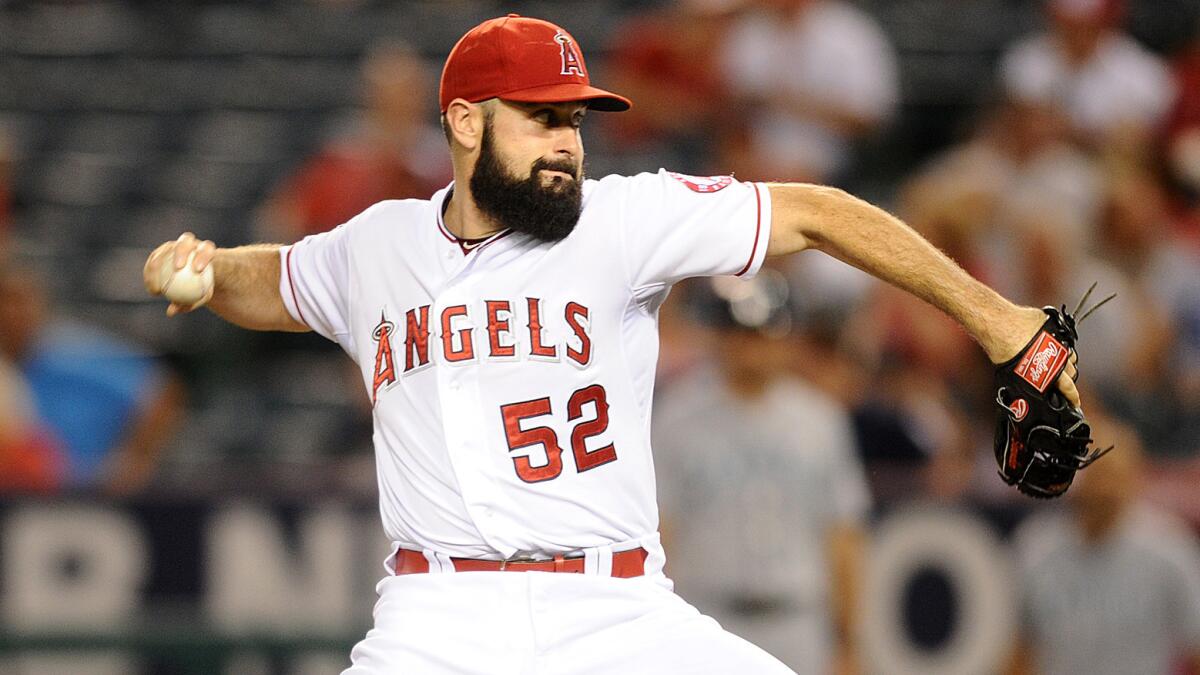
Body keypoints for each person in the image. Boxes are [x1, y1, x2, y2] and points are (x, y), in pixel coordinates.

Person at [143, 15, 1085, 673]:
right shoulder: (376, 245)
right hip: (438, 621)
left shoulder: (622, 221)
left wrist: (998, 320)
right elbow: (277, 282)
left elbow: (815, 213)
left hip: (619, 614)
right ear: (467, 123)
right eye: (543, 118)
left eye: (576, 120)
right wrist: (212, 265)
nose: (569, 143)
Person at [654, 274, 870, 674]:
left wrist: (848, 639)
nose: (751, 347)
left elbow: (842, 534)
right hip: (709, 615)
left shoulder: (820, 420)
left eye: (763, 333)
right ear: (719, 335)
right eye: (740, 332)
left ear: (786, 339)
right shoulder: (676, 417)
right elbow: (662, 531)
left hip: (797, 618)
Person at [1008, 413, 1200, 675]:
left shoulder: (1169, 548)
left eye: (1112, 474)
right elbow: (1019, 648)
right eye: (1094, 473)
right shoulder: (1035, 547)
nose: (1103, 487)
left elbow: (1194, 644)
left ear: (1132, 478)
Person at [0, 260, 184, 495]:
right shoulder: (7, 370)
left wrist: (133, 466)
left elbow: (162, 391)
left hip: (92, 491)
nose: (12, 313)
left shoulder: (75, 353)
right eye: (5, 301)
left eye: (20, 301)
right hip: (24, 491)